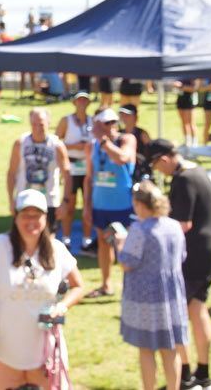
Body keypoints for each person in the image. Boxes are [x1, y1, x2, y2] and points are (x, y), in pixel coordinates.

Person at [0, 189, 85, 390]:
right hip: (3, 351)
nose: (31, 221)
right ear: (15, 216)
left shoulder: (56, 249)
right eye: (25, 214)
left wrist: (62, 306)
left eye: (37, 215)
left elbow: (79, 286)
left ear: (45, 218)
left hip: (44, 353)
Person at [147, 139, 211, 390]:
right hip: (209, 251)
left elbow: (182, 223)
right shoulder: (199, 170)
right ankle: (203, 373)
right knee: (198, 310)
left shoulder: (184, 179)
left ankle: (186, 374)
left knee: (178, 316)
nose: (159, 170)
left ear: (165, 159)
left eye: (157, 165)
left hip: (192, 255)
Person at [116, 181, 189, 390]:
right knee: (170, 347)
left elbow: (128, 263)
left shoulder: (139, 229)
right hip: (172, 296)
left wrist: (120, 243)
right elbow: (182, 256)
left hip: (146, 297)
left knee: (147, 348)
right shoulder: (174, 226)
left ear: (140, 204)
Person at [83, 108, 136, 298]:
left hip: (123, 204)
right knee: (103, 244)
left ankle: (130, 284)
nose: (110, 127)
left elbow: (122, 158)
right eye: (106, 124)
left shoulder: (127, 139)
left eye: (113, 122)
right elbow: (89, 178)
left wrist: (104, 141)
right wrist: (87, 205)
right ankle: (106, 284)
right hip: (101, 203)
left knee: (126, 245)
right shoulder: (92, 146)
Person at [7, 108, 70, 232]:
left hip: (49, 201)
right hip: (24, 200)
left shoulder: (57, 145)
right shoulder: (20, 143)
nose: (37, 128)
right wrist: (11, 200)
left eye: (41, 124)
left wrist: (65, 202)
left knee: (48, 241)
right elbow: (11, 173)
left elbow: (67, 175)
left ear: (48, 123)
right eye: (33, 124)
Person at [56, 91, 94, 252]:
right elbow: (56, 142)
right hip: (71, 166)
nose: (82, 103)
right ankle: (66, 238)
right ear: (74, 102)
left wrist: (87, 148)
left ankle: (86, 239)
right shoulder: (66, 121)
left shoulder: (93, 121)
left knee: (87, 204)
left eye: (85, 100)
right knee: (69, 204)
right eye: (79, 100)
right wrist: (73, 146)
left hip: (87, 167)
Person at [119, 104, 152, 182]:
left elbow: (150, 152)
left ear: (135, 117)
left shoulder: (142, 134)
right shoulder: (119, 133)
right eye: (122, 115)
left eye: (127, 115)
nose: (124, 117)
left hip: (139, 171)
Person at [174, 79, 199, 146]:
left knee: (190, 123)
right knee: (183, 122)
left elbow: (194, 88)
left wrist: (181, 86)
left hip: (189, 101)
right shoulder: (179, 76)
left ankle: (194, 142)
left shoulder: (193, 77)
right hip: (180, 100)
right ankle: (187, 141)